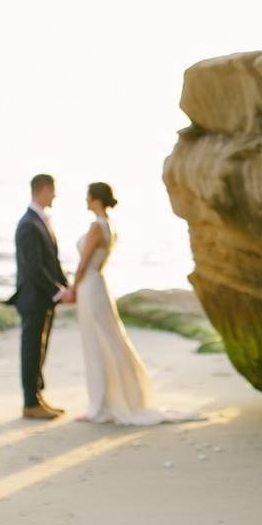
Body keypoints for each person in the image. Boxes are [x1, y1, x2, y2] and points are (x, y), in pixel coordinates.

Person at [70, 182, 200, 425]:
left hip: (90, 287)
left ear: (96, 200)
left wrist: (71, 290)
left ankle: (100, 406)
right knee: (109, 341)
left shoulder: (95, 228)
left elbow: (83, 264)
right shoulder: (110, 227)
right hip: (99, 285)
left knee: (96, 344)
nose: (85, 201)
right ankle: (111, 401)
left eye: (88, 197)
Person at [8, 174, 74, 420]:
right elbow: (34, 267)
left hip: (43, 299)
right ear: (44, 190)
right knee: (31, 351)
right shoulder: (28, 224)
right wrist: (58, 291)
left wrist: (66, 287)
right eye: (53, 190)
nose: (55, 195)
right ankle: (30, 403)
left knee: (39, 350)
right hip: (33, 299)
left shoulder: (39, 220)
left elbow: (52, 262)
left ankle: (37, 398)